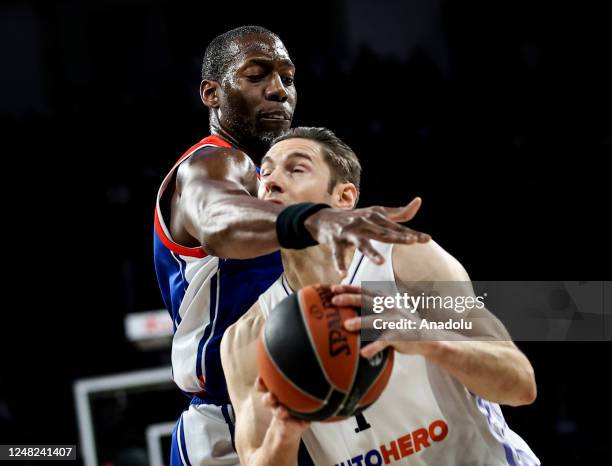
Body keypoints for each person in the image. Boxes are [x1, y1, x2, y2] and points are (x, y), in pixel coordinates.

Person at [153, 27, 429, 466]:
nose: (278, 90)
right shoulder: (210, 163)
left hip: (313, 412)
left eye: (287, 77)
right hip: (229, 423)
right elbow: (218, 221)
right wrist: (316, 220)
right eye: (256, 75)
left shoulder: (278, 182)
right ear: (211, 93)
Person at [221, 126, 540, 466]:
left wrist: (428, 339)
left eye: (296, 168)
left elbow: (520, 383)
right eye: (264, 172)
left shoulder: (406, 260)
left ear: (343, 198)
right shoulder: (250, 334)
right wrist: (284, 429)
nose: (270, 181)